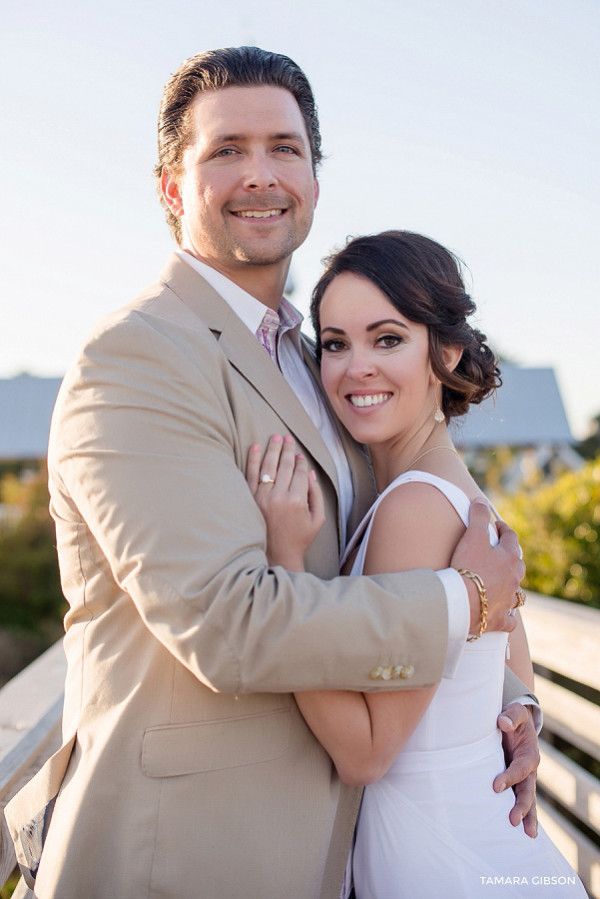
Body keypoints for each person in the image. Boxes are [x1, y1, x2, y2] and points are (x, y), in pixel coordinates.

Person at [6, 49, 536, 899]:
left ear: (315, 181)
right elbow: (224, 620)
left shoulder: (321, 358)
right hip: (184, 855)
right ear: (173, 189)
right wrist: (460, 604)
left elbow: (403, 539)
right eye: (226, 150)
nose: (260, 175)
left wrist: (506, 706)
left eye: (285, 148)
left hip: (338, 852)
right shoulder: (138, 356)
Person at [247, 230, 586, 897]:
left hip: (447, 863)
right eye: (336, 342)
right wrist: (524, 710)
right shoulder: (454, 493)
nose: (355, 366)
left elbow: (367, 750)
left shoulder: (416, 508)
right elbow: (508, 642)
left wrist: (285, 564)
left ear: (447, 351)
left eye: (388, 338)